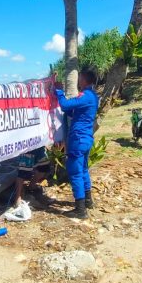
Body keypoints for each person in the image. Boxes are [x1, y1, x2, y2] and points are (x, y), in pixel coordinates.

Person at [54, 70, 99, 219]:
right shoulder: (92, 96)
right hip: (86, 139)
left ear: (85, 80)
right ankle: (88, 201)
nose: (78, 80)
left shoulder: (85, 96)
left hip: (78, 139)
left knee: (75, 172)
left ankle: (80, 210)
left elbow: (65, 105)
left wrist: (59, 90)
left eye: (80, 78)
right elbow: (76, 112)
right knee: (84, 170)